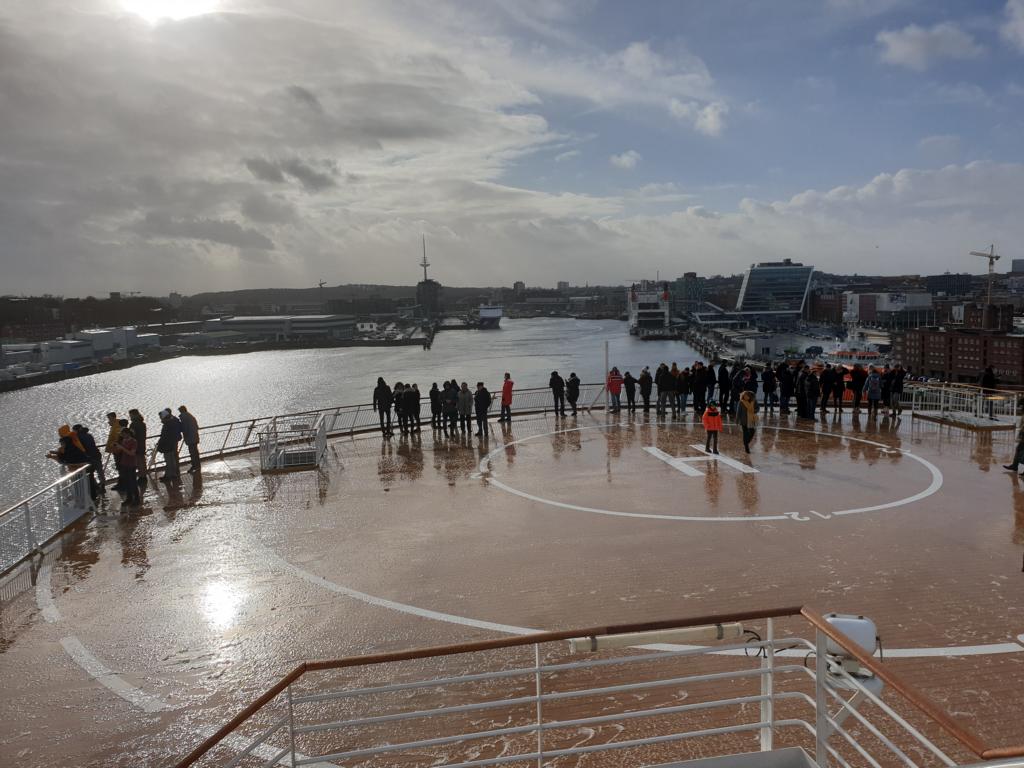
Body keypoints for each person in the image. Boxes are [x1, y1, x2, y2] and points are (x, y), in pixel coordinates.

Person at [48, 425, 99, 499]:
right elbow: (67, 455)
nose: (61, 445)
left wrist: (52, 456)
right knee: (89, 482)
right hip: (87, 463)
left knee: (82, 485)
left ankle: (87, 499)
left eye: (62, 444)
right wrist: (56, 454)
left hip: (80, 469)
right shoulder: (73, 440)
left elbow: (64, 459)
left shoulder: (68, 443)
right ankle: (93, 496)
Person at [112, 425, 140, 508]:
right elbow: (120, 451)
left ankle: (136, 499)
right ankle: (129, 498)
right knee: (126, 481)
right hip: (124, 463)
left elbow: (132, 453)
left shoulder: (134, 441)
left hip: (131, 464)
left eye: (123, 434)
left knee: (133, 482)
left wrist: (122, 447)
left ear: (128, 433)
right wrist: (116, 448)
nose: (122, 436)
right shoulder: (124, 441)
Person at [74, 424, 105, 493]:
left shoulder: (78, 438)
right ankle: (102, 486)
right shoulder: (89, 435)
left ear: (76, 430)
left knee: (90, 473)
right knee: (100, 472)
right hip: (96, 455)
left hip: (88, 457)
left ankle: (96, 487)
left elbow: (81, 448)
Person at [156, 408, 182, 482]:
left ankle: (168, 475)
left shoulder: (167, 424)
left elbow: (164, 436)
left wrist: (160, 444)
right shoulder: (173, 421)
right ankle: (173, 474)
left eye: (160, 417)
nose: (160, 418)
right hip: (172, 443)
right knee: (172, 459)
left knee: (168, 460)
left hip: (167, 444)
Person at [128, 409, 148, 491]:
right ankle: (144, 475)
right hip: (142, 444)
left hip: (136, 445)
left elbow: (131, 435)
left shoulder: (134, 424)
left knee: (139, 461)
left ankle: (141, 477)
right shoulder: (142, 423)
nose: (130, 416)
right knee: (142, 460)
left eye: (130, 415)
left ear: (133, 415)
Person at [178, 405, 201, 473]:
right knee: (195, 452)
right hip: (195, 437)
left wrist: (183, 434)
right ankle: (197, 465)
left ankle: (194, 466)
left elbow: (185, 428)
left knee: (192, 453)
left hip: (190, 438)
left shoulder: (184, 417)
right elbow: (196, 426)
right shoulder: (190, 416)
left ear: (181, 410)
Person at [105, 411, 122, 490]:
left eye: (109, 418)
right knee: (119, 466)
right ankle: (122, 482)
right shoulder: (114, 426)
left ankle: (122, 483)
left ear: (113, 417)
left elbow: (116, 438)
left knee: (120, 466)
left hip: (117, 450)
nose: (108, 420)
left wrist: (112, 445)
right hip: (116, 450)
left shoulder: (117, 426)